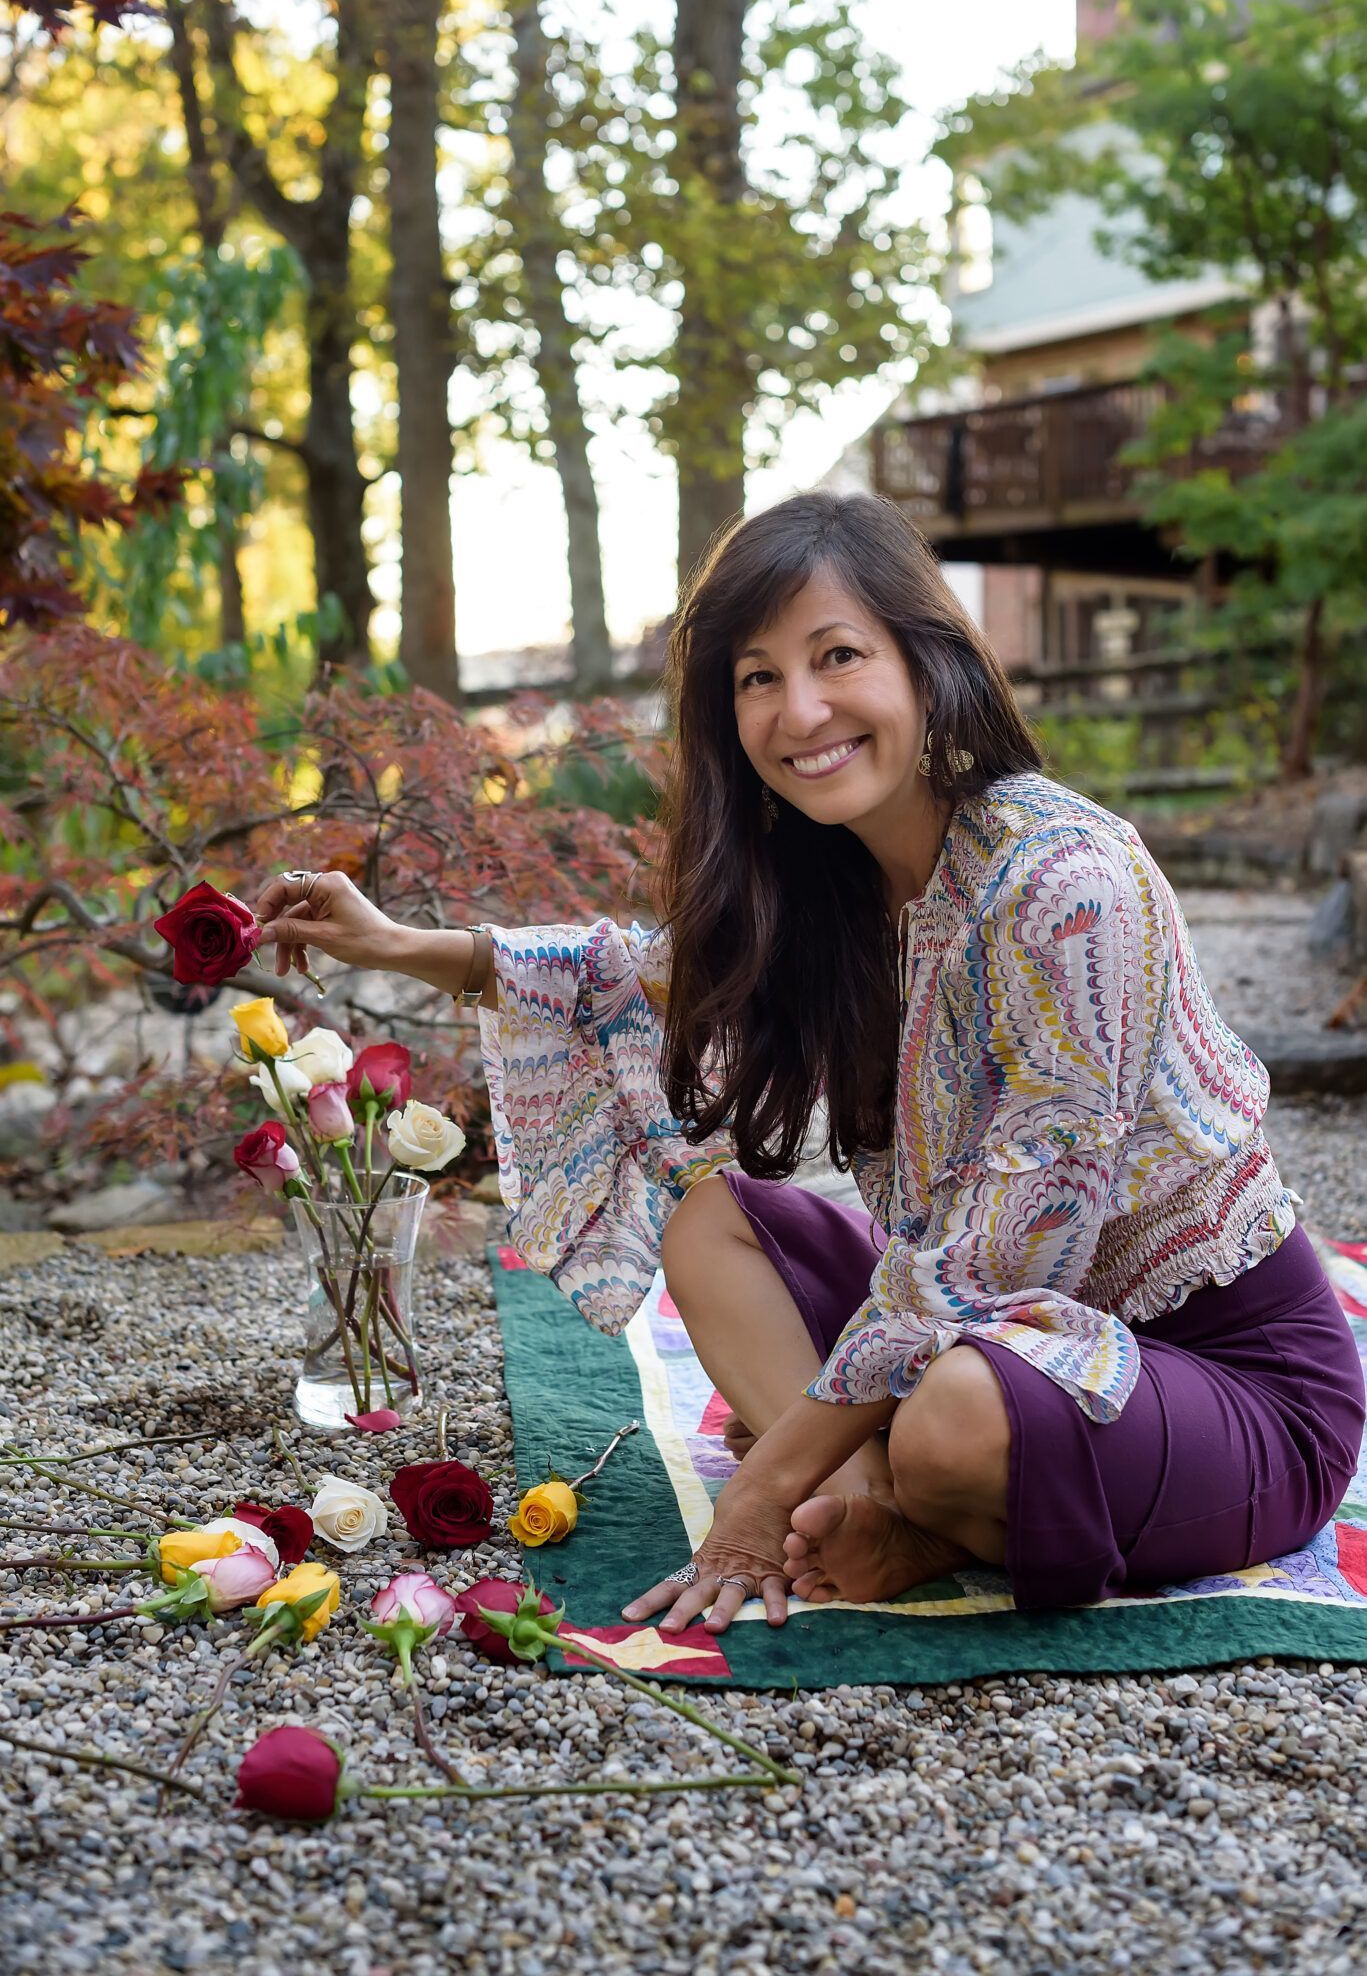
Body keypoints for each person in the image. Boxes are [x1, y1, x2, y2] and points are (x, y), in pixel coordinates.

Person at [255, 492, 1365, 1639]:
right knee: (711, 1221)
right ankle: (883, 1506)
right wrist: (393, 941)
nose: (801, 708)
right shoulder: (837, 879)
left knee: (949, 1411)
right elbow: (638, 974)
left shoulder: (1064, 885)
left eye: (837, 655)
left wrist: (760, 1486)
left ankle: (897, 1486)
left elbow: (1005, 1248)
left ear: (925, 661)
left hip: (1234, 1384)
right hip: (1003, 1341)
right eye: (756, 676)